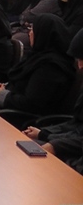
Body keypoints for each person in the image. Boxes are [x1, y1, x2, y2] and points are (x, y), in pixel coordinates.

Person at [23, 27, 83, 172]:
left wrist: (55, 144)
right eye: (79, 60)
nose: (80, 66)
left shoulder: (51, 66)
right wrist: (43, 133)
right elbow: (76, 124)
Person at [0, 14, 75, 115]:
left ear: (43, 34)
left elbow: (32, 104)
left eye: (32, 30)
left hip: (18, 117)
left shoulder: (50, 67)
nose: (29, 33)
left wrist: (3, 95)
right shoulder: (37, 56)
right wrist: (3, 88)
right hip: (8, 107)